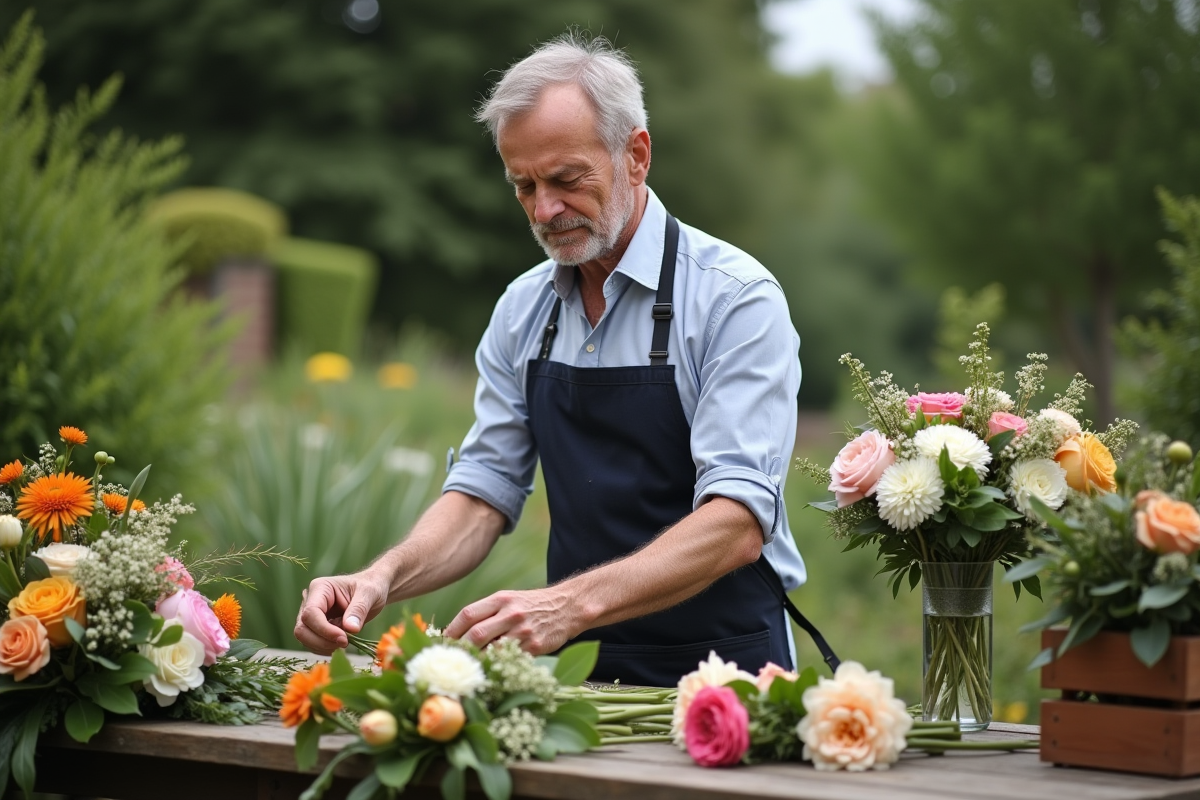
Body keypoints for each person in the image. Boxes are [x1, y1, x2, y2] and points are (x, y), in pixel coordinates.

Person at [294, 34, 836, 686]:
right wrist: (380, 577)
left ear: (635, 156)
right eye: (523, 185)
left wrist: (566, 605)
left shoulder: (734, 300)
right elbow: (482, 492)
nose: (544, 209)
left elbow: (737, 523)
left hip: (734, 673)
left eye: (565, 179)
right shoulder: (522, 309)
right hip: (579, 675)